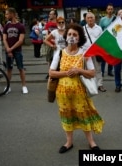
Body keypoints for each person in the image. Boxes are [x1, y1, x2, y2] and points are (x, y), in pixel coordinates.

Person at [49, 23, 104, 153]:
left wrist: (79, 70)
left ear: (79, 38)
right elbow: (51, 72)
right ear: (66, 36)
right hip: (62, 94)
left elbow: (92, 72)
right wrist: (66, 73)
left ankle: (91, 142)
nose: (71, 37)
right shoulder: (60, 53)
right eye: (69, 34)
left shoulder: (84, 54)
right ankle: (69, 142)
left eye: (75, 34)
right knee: (66, 116)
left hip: (80, 93)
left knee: (84, 115)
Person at [3, 7, 28, 94]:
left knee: (20, 68)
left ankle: (24, 86)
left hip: (17, 50)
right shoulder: (6, 26)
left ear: (12, 14)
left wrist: (11, 48)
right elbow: (4, 39)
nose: (6, 16)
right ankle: (8, 86)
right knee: (9, 69)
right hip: (8, 50)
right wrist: (8, 49)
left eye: (7, 14)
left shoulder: (20, 26)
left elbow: (20, 40)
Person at [82, 12, 106, 92]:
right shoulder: (82, 29)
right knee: (86, 69)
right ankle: (87, 84)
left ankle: (100, 84)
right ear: (86, 19)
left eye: (91, 17)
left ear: (94, 18)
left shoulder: (99, 28)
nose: (90, 19)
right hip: (86, 52)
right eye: (88, 18)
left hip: (96, 52)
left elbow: (102, 40)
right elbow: (81, 41)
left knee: (98, 69)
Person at [99, 3, 115, 76]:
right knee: (103, 57)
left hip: (112, 40)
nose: (110, 10)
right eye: (109, 9)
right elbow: (100, 29)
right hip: (105, 40)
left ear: (113, 10)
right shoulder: (102, 19)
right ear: (106, 10)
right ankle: (102, 71)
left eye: (111, 9)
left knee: (111, 56)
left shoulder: (115, 18)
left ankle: (110, 71)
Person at [44, 8, 58, 79]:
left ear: (55, 15)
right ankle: (49, 73)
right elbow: (46, 35)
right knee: (49, 59)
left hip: (58, 44)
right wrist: (50, 44)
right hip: (50, 44)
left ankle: (57, 72)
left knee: (58, 58)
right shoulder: (48, 24)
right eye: (49, 14)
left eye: (51, 14)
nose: (49, 15)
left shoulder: (59, 23)